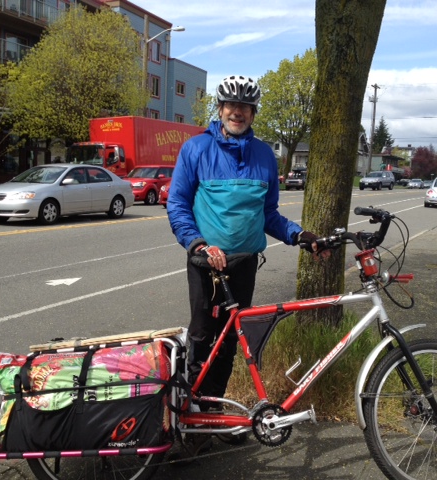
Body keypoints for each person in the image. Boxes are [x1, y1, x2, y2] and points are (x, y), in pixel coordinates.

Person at [167, 75, 319, 458]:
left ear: (252, 113)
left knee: (231, 340)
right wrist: (198, 242)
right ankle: (192, 419)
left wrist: (299, 236)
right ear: (220, 110)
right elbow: (178, 204)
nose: (238, 112)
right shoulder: (196, 149)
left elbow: (269, 214)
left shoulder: (264, 156)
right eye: (231, 106)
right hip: (207, 264)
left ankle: (215, 413)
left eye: (245, 107)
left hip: (244, 264)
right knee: (203, 338)